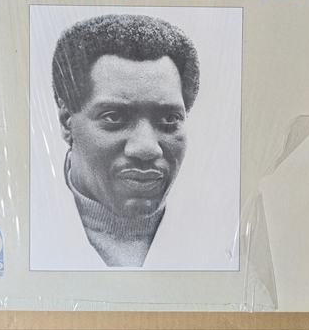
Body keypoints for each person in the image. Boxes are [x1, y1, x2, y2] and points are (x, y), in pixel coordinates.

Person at [51, 14, 199, 267]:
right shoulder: (20, 228)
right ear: (67, 122)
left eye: (169, 119)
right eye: (114, 117)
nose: (146, 148)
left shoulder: (227, 235)